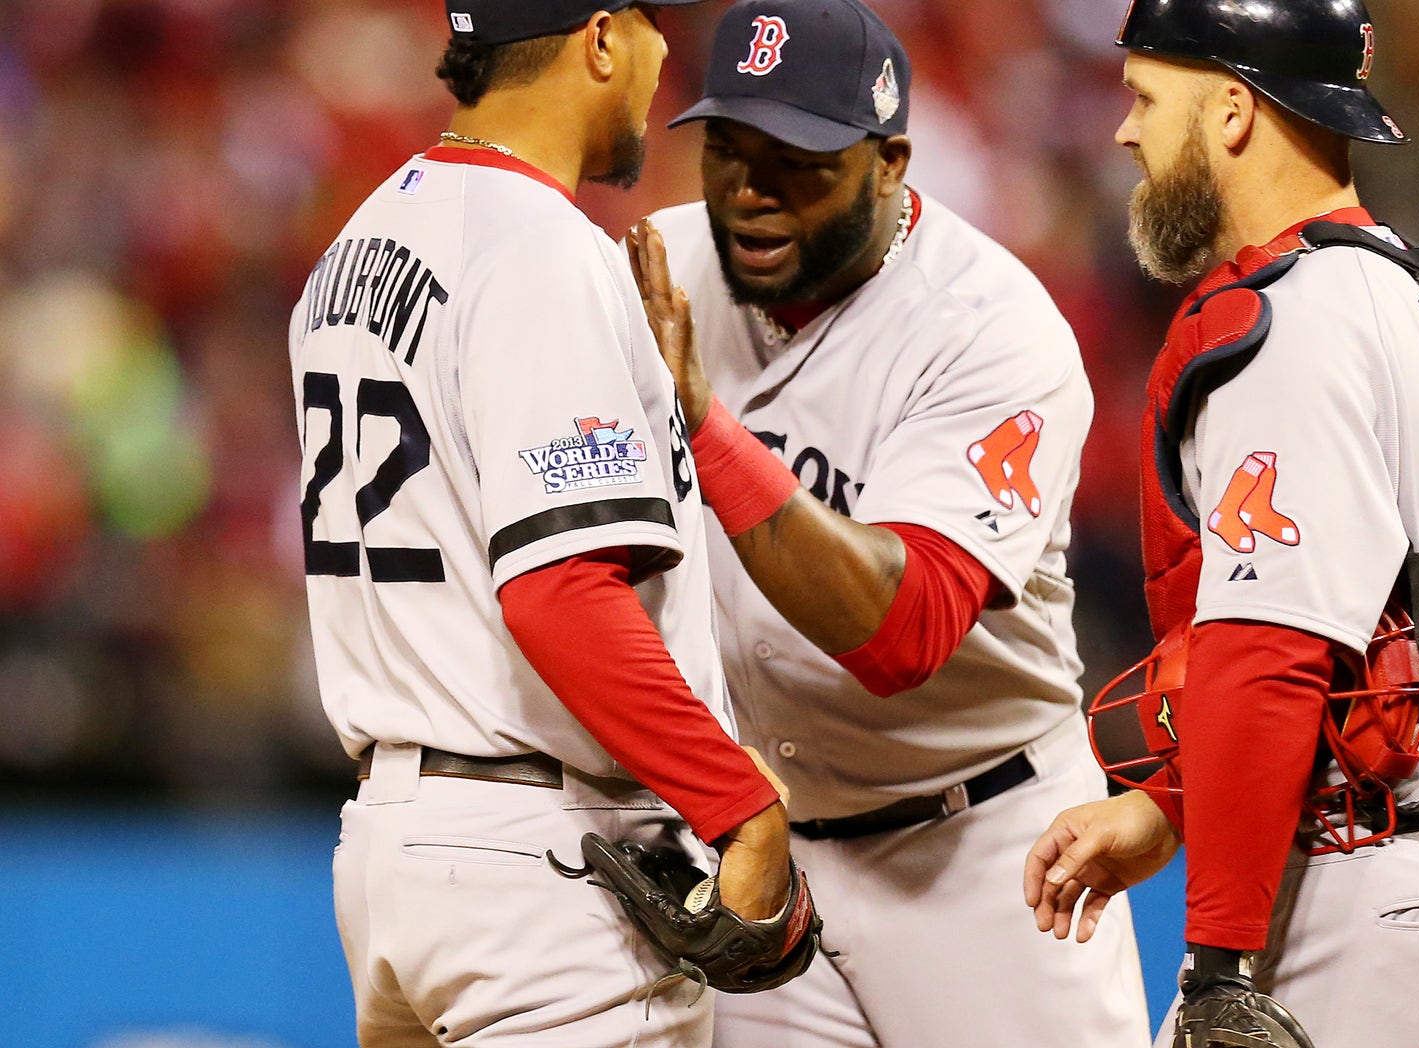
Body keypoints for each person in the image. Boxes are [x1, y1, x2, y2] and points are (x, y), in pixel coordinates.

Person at [1024, 2, 1419, 1047]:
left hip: (1393, 909)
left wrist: (1214, 963)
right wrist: (1166, 807)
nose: (1124, 132)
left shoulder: (1285, 321)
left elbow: (1270, 654)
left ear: (1232, 109)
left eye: (1146, 100)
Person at [619, 0, 1151, 1045]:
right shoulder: (657, 269)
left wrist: (702, 424)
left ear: (891, 162)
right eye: (726, 153)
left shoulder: (988, 330)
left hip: (986, 850)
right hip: (768, 848)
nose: (752, 192)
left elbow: (899, 632)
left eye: (798, 162)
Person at [288, 3, 805, 1044]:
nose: (668, 58)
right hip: (542, 868)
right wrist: (737, 804)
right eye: (657, 27)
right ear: (602, 37)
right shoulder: (537, 248)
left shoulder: (356, 243)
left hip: (397, 851)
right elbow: (559, 588)